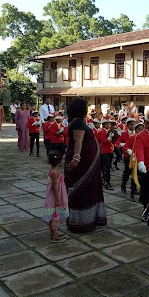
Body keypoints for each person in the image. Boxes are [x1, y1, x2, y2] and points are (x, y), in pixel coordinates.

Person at [64, 98, 107, 233]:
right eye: (86, 108)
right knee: (81, 191)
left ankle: (89, 220)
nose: (87, 110)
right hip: (83, 164)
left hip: (89, 163)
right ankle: (80, 222)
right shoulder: (77, 124)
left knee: (88, 190)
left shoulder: (79, 122)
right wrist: (76, 158)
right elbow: (78, 142)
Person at [43, 150, 69, 243]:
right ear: (60, 161)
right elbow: (54, 187)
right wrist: (58, 199)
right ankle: (54, 235)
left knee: (54, 216)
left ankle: (54, 233)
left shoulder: (54, 171)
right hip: (55, 197)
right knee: (54, 216)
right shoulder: (54, 172)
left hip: (56, 195)